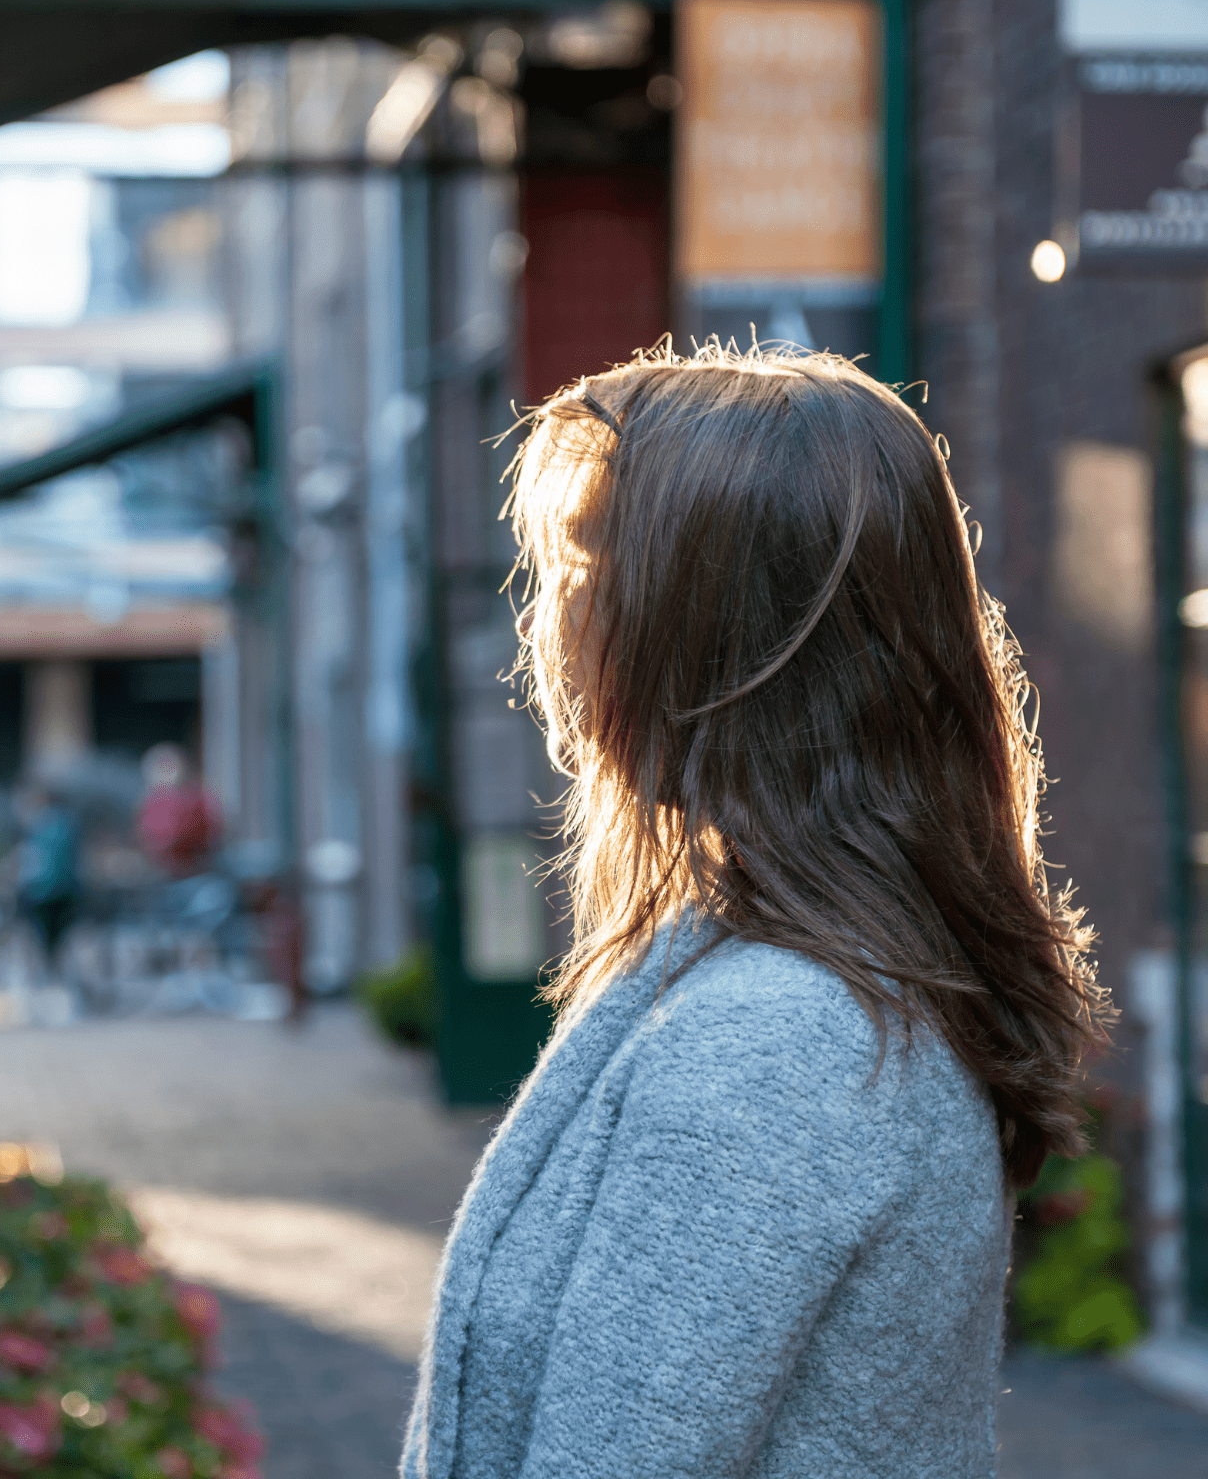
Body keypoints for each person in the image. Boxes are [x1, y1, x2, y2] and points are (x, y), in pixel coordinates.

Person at [402, 344, 1109, 1479]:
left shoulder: (775, 1043)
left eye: (586, 571)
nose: (547, 627)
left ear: (716, 638)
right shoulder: (830, 984)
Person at [15, 782, 81, 976]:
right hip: (65, 891)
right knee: (57, 941)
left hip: (41, 892)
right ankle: (55, 974)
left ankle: (46, 976)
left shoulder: (39, 822)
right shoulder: (68, 822)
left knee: (40, 939)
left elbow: (31, 857)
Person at [135, 742, 222, 878]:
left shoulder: (194, 799)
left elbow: (209, 831)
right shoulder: (151, 801)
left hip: (193, 871)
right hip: (164, 874)